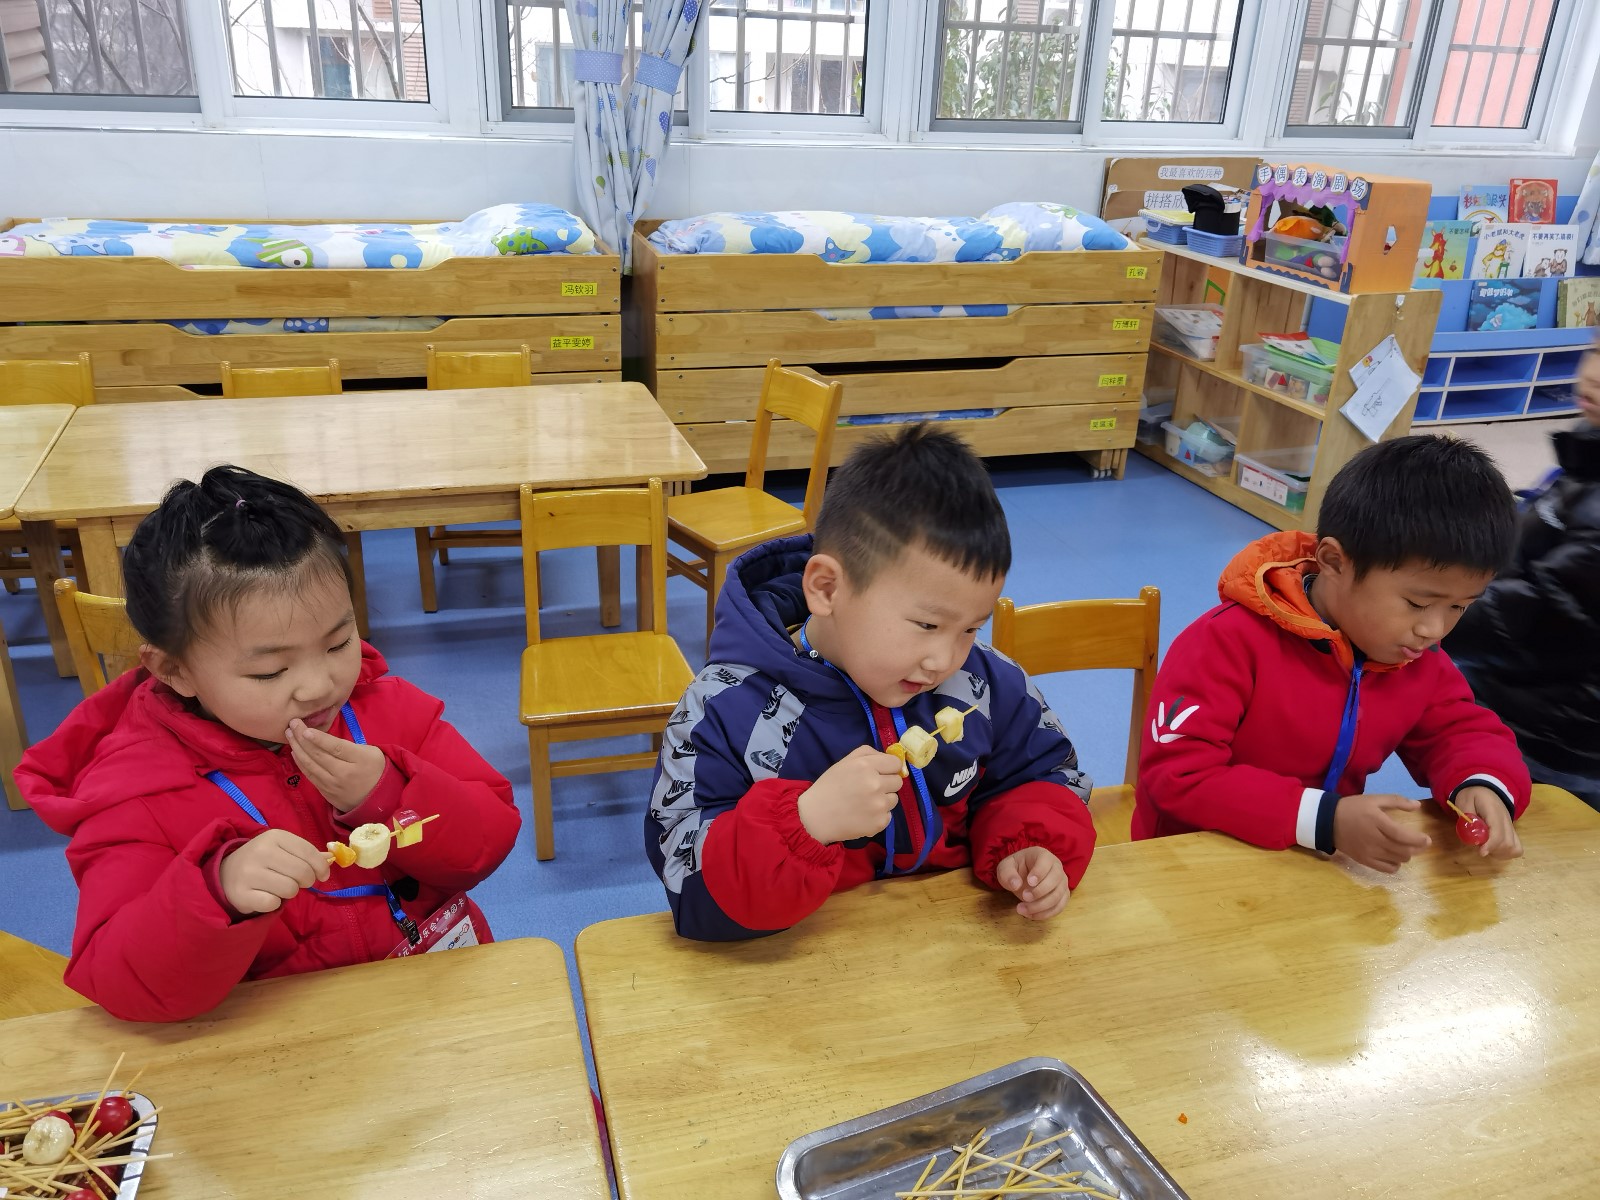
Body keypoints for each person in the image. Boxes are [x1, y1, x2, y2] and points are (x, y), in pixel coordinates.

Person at [18, 465, 521, 1021]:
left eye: (338, 643)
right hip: (285, 1038)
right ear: (175, 670)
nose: (319, 686)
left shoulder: (392, 712)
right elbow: (124, 984)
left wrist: (391, 795)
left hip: (437, 995)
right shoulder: (136, 792)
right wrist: (215, 892)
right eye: (269, 672)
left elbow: (491, 837)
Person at [644, 423, 1096, 941]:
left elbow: (1041, 772)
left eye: (971, 628)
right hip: (803, 961)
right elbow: (689, 886)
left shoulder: (988, 682)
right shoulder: (721, 710)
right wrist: (805, 824)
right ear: (826, 588)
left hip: (955, 947)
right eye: (926, 625)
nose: (944, 659)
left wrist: (1031, 844)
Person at [1134, 435, 1530, 872]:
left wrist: (1483, 782)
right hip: (1191, 863)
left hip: (1314, 864)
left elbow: (1458, 732)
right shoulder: (1225, 642)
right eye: (1418, 603)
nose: (1433, 630)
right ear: (1335, 562)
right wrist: (1324, 819)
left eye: (1459, 607)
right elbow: (1178, 775)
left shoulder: (1412, 658)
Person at [1446, 353, 1600, 810]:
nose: (1593, 373)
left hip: (1561, 740)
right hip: (1514, 701)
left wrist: (1428, 607)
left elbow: (1543, 615)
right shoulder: (1588, 451)